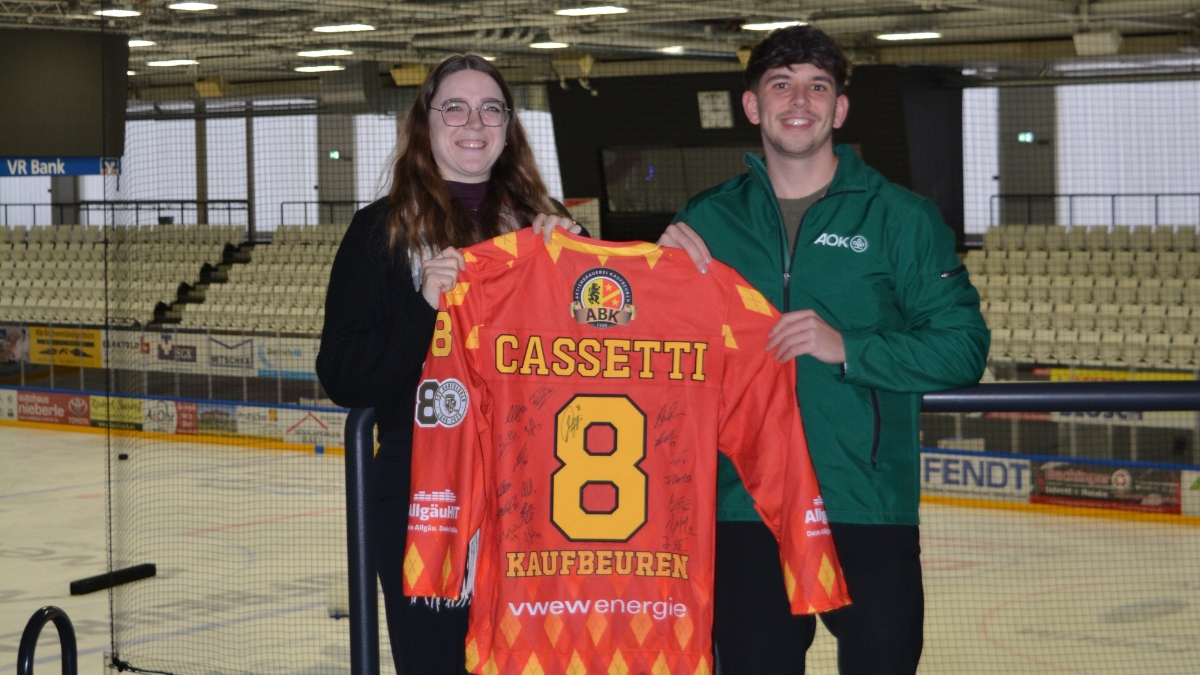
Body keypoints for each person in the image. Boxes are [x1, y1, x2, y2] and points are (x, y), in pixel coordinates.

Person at [661, 25, 989, 675]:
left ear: (839, 108)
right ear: (752, 105)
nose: (799, 100)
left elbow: (962, 348)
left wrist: (850, 347)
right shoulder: (706, 220)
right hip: (741, 503)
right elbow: (654, 352)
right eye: (780, 85)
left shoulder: (901, 218)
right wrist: (652, 278)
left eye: (817, 86)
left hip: (864, 501)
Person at [316, 54, 579, 674]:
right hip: (421, 498)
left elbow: (603, 353)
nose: (474, 121)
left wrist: (574, 272)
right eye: (454, 107)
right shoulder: (379, 232)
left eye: (492, 109)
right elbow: (343, 373)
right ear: (424, 124)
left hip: (537, 492)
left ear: (509, 127)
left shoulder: (551, 231)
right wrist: (421, 307)